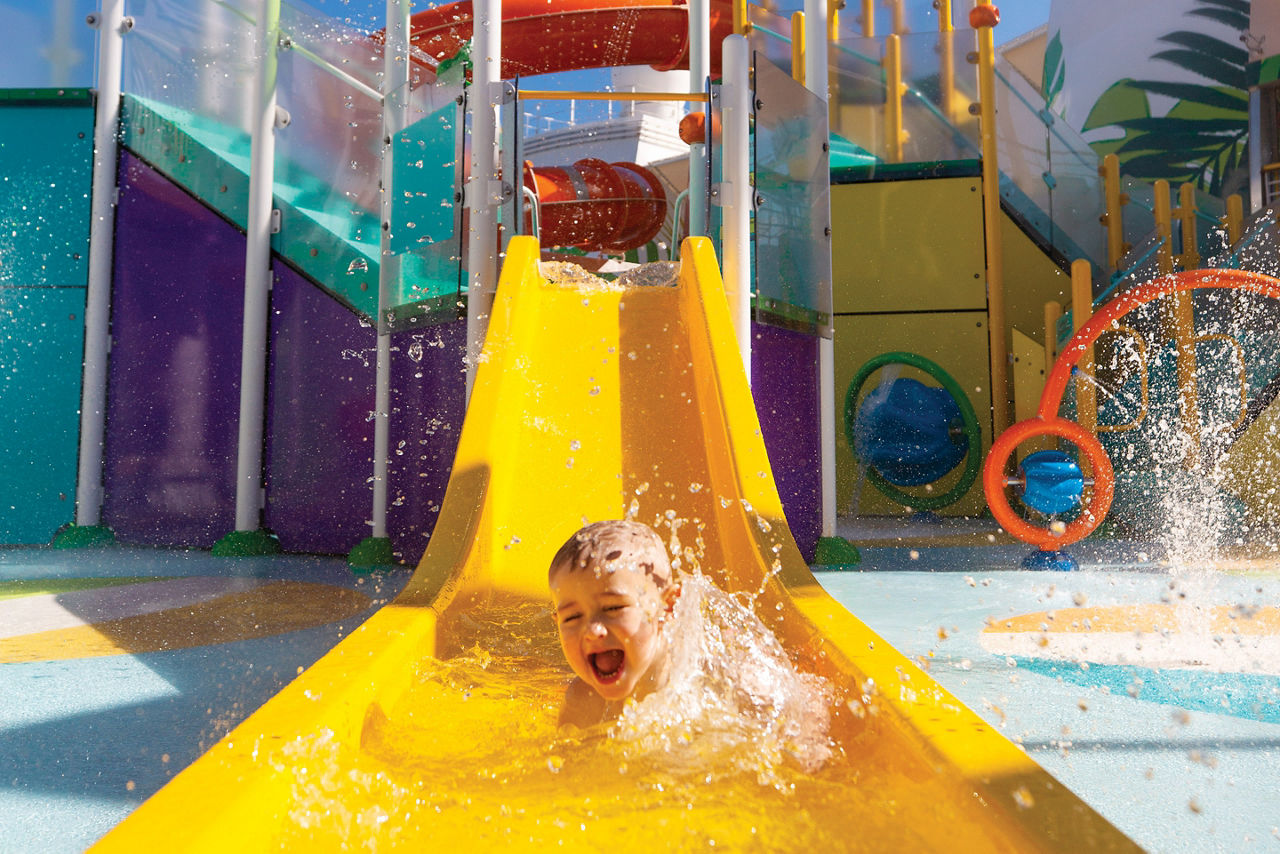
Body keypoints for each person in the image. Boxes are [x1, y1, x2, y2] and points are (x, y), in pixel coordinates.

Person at [548, 520, 680, 728]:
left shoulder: (706, 683)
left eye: (613, 608)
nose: (592, 630)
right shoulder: (582, 702)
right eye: (572, 617)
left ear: (667, 607)